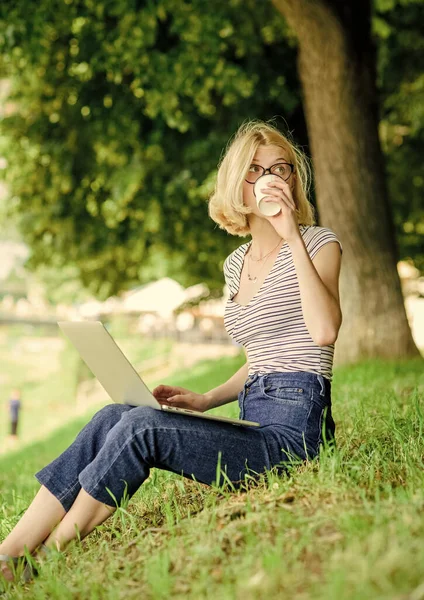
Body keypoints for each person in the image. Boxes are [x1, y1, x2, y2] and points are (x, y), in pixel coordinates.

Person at [0, 119, 343, 584]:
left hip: (295, 435)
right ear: (236, 185)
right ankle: (10, 551)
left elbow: (322, 332)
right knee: (112, 415)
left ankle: (45, 558)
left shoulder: (320, 244)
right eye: (255, 170)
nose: (269, 179)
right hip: (254, 419)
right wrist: (205, 401)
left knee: (142, 428)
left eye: (280, 169)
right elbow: (265, 356)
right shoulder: (237, 263)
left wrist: (291, 237)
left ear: (293, 180)